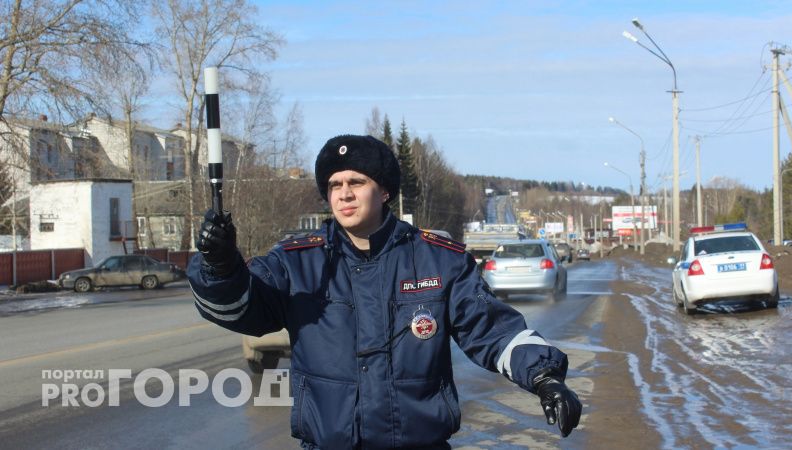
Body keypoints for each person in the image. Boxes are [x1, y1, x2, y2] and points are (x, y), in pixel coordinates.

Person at [188, 134, 581, 449]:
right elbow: (241, 311)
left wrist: (544, 377)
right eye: (334, 185)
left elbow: (491, 329)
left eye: (356, 182)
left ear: (385, 192)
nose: (343, 194)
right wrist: (220, 266)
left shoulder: (437, 260)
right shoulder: (297, 261)